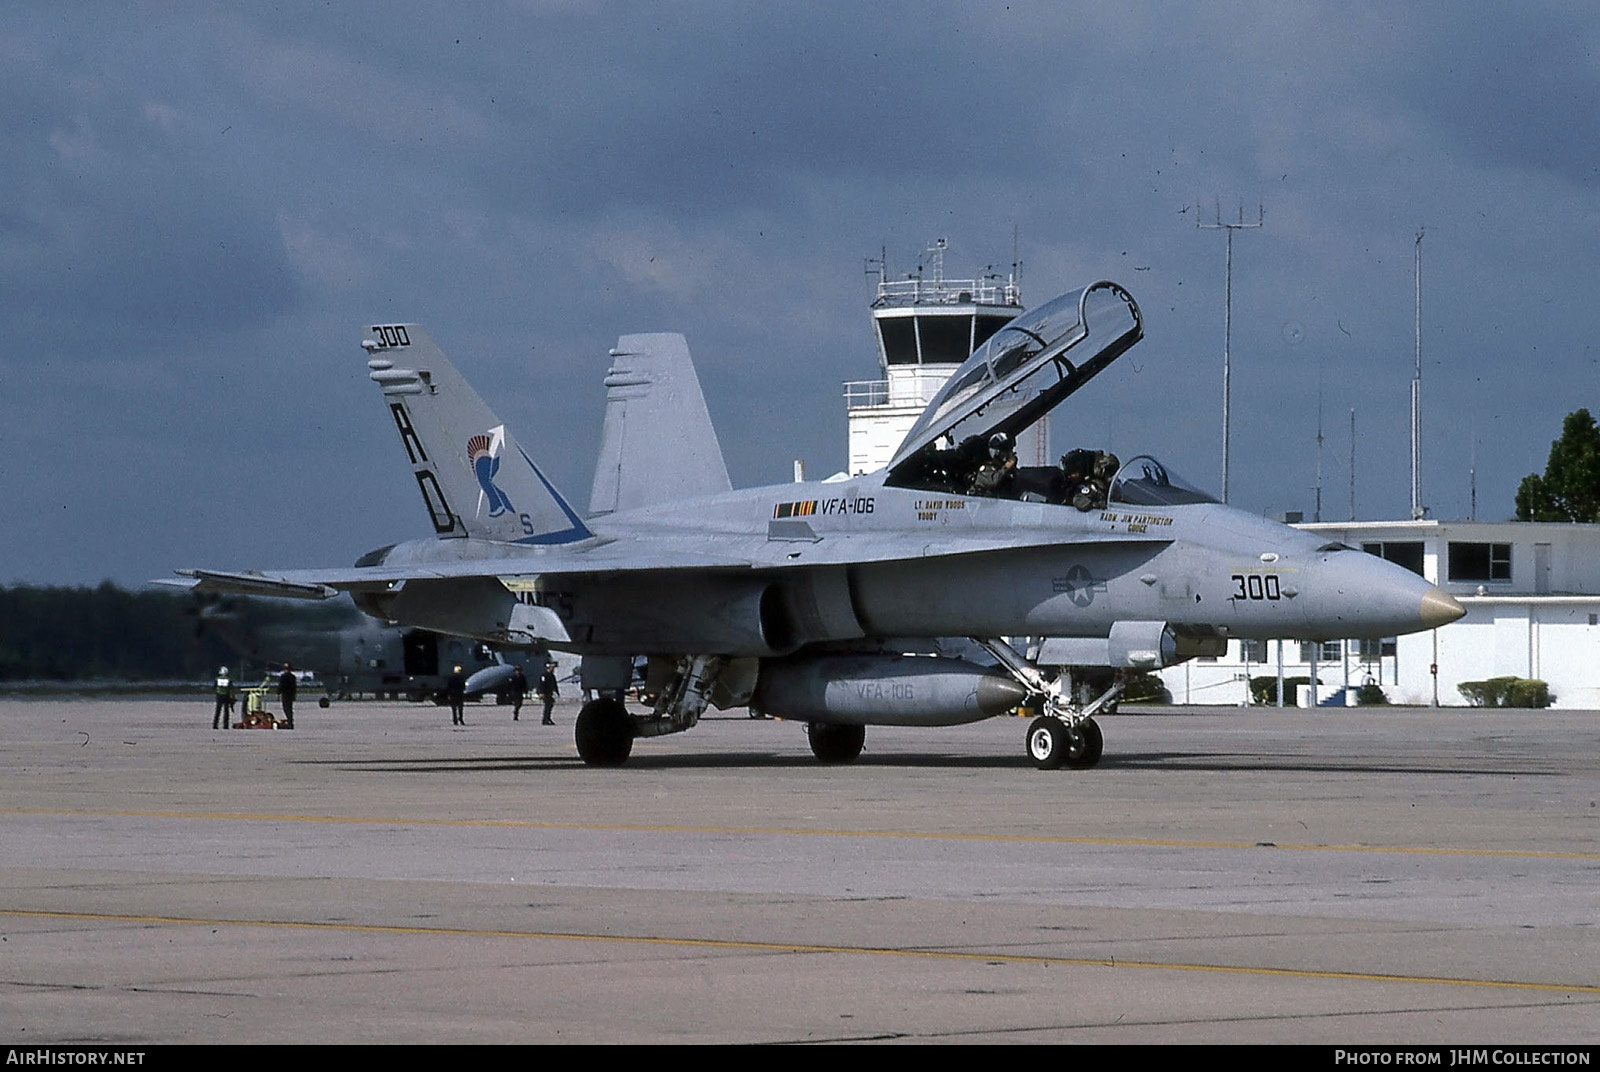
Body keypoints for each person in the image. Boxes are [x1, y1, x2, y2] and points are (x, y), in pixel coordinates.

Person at [278, 663, 297, 729]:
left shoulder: (283, 676)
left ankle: (289, 722)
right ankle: (290, 721)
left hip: (285, 694)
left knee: (286, 708)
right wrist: (294, 695)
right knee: (289, 708)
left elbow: (281, 686)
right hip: (290, 695)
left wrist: (278, 692)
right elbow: (294, 687)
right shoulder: (293, 677)